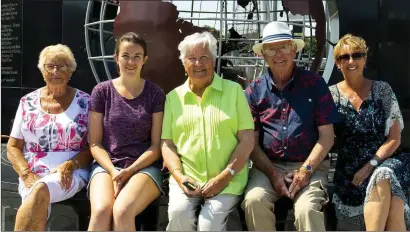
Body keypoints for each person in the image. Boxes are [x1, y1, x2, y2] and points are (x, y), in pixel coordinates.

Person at [241, 21, 339, 231]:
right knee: (253, 201)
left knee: (307, 209)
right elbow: (251, 142)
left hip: (309, 166)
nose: (278, 54)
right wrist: (273, 174)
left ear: (294, 50)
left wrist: (305, 170)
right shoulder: (253, 92)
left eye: (284, 46)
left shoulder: (315, 84)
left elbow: (327, 136)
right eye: (271, 49)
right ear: (263, 55)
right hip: (268, 167)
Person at [161, 31, 255, 231]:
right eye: (192, 58)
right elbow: (167, 144)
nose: (198, 64)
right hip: (187, 178)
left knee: (208, 224)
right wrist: (179, 176)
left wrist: (225, 177)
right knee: (179, 216)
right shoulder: (173, 98)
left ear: (213, 60)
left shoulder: (234, 91)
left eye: (204, 57)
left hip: (229, 178)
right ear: (184, 64)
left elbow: (247, 139)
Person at [7, 44, 92, 231]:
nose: (55, 71)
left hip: (69, 172)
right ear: (42, 70)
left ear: (71, 71)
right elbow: (13, 146)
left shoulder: (86, 102)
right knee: (36, 189)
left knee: (40, 189)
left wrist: (72, 165)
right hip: (31, 171)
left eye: (62, 66)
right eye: (50, 66)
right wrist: (26, 174)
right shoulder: (27, 102)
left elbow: (93, 146)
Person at [329, 34, 410, 230]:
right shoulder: (330, 95)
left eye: (357, 55)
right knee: (395, 208)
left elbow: (394, 139)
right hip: (350, 173)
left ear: (365, 59)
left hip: (385, 161)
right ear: (337, 64)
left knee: (383, 176)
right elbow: (325, 137)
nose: (351, 61)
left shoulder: (383, 90)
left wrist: (370, 165)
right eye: (344, 57)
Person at [87, 32, 165, 231]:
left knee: (122, 210)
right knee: (102, 209)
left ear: (144, 60)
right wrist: (114, 172)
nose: (131, 61)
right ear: (116, 57)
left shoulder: (155, 94)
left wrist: (129, 171)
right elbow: (95, 143)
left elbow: (156, 147)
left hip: (144, 167)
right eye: (125, 56)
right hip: (107, 166)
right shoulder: (101, 92)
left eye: (137, 56)